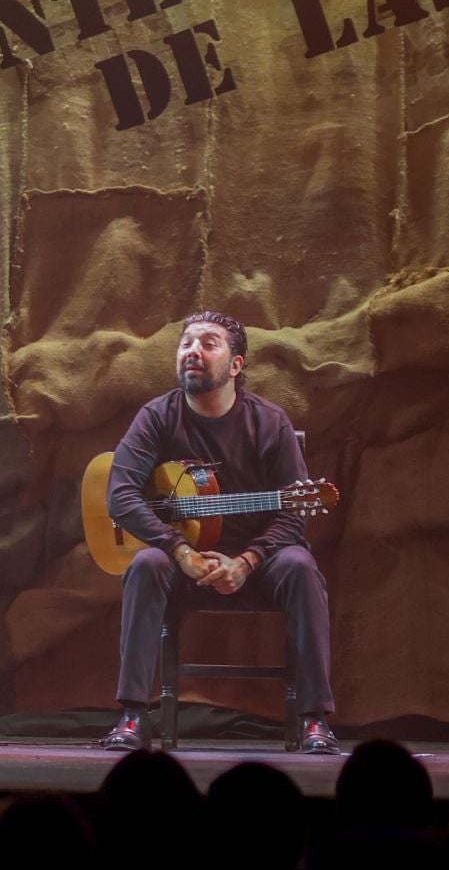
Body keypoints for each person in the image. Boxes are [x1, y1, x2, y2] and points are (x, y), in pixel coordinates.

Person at [100, 310, 336, 754]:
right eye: (187, 342)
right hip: (181, 563)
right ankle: (132, 716)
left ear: (235, 365)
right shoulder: (156, 417)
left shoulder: (269, 423)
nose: (193, 350)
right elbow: (120, 497)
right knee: (146, 563)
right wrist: (178, 549)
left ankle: (314, 720)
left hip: (258, 563)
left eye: (209, 343)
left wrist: (248, 561)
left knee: (301, 566)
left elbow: (294, 513)